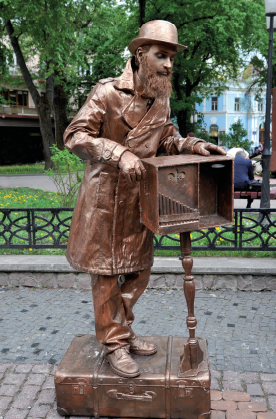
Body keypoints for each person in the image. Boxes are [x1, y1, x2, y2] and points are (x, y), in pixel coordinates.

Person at [63, 20, 226, 379]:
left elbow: (166, 138)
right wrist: (118, 153)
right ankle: (113, 342)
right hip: (104, 201)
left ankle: (121, 327)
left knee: (139, 271)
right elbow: (74, 135)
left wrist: (194, 146)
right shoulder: (106, 93)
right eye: (161, 55)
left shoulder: (161, 98)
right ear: (140, 55)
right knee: (106, 275)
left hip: (140, 201)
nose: (169, 64)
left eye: (171, 58)